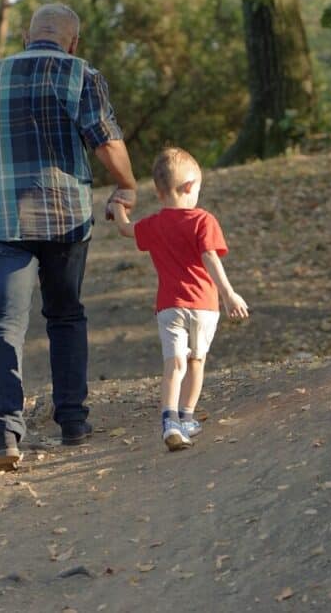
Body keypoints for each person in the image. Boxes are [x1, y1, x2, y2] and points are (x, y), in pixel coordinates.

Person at [0, 4, 138, 472]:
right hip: (67, 220)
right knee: (66, 315)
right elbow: (106, 141)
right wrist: (126, 185)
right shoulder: (80, 73)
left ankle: (6, 434)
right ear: (73, 42)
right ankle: (72, 421)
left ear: (28, 37)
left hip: (5, 223)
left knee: (5, 325)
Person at [108, 147, 249, 451]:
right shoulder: (203, 221)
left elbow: (124, 229)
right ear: (189, 187)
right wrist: (228, 293)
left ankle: (169, 420)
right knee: (196, 361)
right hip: (203, 306)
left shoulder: (155, 224)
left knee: (174, 363)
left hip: (169, 306)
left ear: (158, 193)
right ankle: (187, 417)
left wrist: (119, 206)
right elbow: (209, 257)